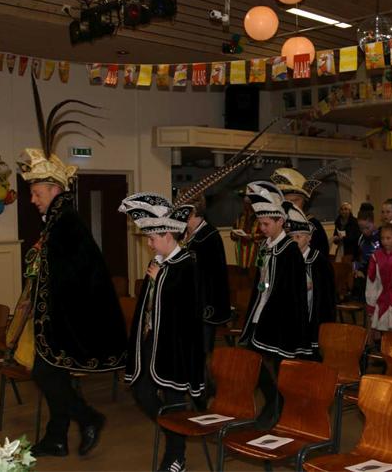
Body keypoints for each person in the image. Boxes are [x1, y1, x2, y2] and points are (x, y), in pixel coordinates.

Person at [16, 148, 127, 458]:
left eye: (37, 193)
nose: (32, 199)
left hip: (65, 318)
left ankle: (88, 417)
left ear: (54, 190)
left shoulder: (65, 222)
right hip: (58, 315)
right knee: (54, 374)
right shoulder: (58, 220)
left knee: (45, 373)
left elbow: (72, 275)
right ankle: (57, 438)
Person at [118, 193, 205, 472]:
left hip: (175, 346)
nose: (149, 243)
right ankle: (174, 432)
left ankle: (176, 456)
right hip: (151, 340)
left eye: (152, 238)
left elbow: (188, 307)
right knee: (142, 391)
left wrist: (162, 280)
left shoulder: (187, 263)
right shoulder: (159, 263)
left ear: (168, 235)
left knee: (174, 398)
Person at [239, 181, 311, 428]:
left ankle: (282, 410)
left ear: (281, 221)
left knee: (282, 366)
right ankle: (272, 400)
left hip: (282, 317)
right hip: (261, 312)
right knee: (252, 359)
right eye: (260, 224)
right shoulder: (265, 246)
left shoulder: (290, 251)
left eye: (266, 224)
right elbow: (261, 282)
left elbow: (293, 292)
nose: (262, 228)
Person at [181, 195, 231, 395]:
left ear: (193, 211)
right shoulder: (186, 234)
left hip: (205, 304)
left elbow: (214, 276)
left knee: (202, 351)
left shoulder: (210, 236)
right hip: (189, 303)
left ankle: (204, 392)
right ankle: (196, 387)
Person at [286, 202, 336, 351]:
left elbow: (326, 292)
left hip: (314, 312)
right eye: (291, 237)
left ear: (309, 238)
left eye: (299, 236)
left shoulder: (318, 260)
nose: (295, 240)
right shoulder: (289, 259)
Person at [270, 167, 329, 256]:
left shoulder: (313, 225)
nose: (291, 204)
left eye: (295, 200)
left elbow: (321, 255)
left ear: (304, 201)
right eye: (287, 201)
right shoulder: (277, 223)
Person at [353, 205, 380, 301]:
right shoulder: (361, 238)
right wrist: (357, 269)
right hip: (364, 273)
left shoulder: (380, 237)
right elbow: (357, 257)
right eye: (361, 228)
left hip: (379, 274)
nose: (364, 231)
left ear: (373, 222)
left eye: (367, 228)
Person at [230, 194, 263, 269]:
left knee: (254, 271)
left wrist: (251, 236)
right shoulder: (240, 216)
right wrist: (235, 234)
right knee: (241, 272)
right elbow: (233, 232)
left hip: (255, 250)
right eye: (245, 203)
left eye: (248, 203)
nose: (246, 205)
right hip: (241, 251)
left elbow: (265, 234)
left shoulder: (260, 217)